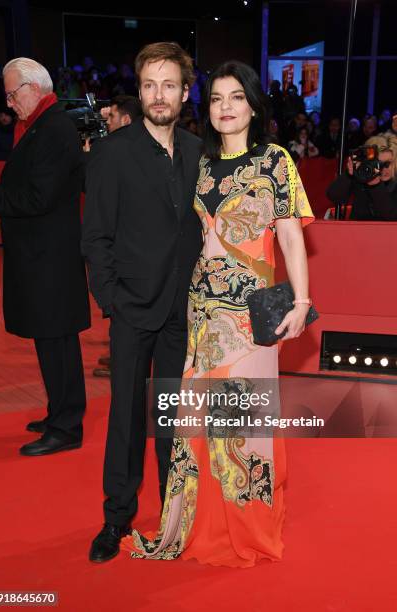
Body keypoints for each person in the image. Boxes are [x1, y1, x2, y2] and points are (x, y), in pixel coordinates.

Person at [127, 60, 314, 567]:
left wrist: (301, 301)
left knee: (242, 422)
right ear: (205, 108)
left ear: (253, 105)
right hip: (203, 309)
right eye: (216, 98)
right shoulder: (199, 163)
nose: (226, 107)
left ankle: (248, 528)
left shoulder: (274, 160)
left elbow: (292, 233)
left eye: (236, 97)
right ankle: (198, 524)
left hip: (253, 314)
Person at [82, 42, 203, 563]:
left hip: (183, 313)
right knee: (127, 419)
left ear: (184, 91)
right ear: (140, 89)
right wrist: (112, 300)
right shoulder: (113, 151)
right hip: (132, 309)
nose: (159, 95)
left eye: (169, 84)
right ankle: (117, 518)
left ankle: (173, 513)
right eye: (150, 85)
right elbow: (96, 236)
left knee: (173, 421)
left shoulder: (200, 151)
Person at [0, 58, 90, 455]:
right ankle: (60, 413)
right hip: (43, 255)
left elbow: (36, 197)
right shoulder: (43, 126)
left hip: (50, 258)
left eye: (14, 93)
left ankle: (66, 426)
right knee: (52, 342)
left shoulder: (53, 129)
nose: (10, 102)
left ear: (35, 88)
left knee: (57, 341)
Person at [89, 95, 143, 378]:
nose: (106, 124)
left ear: (126, 120)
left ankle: (123, 357)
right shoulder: (108, 152)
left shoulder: (136, 154)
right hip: (116, 259)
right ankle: (118, 354)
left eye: (111, 118)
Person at [326, 137, 397, 221]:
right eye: (378, 163)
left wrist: (376, 186)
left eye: (388, 163)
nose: (384, 169)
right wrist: (349, 175)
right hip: (357, 231)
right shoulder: (361, 177)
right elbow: (333, 195)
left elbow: (393, 216)